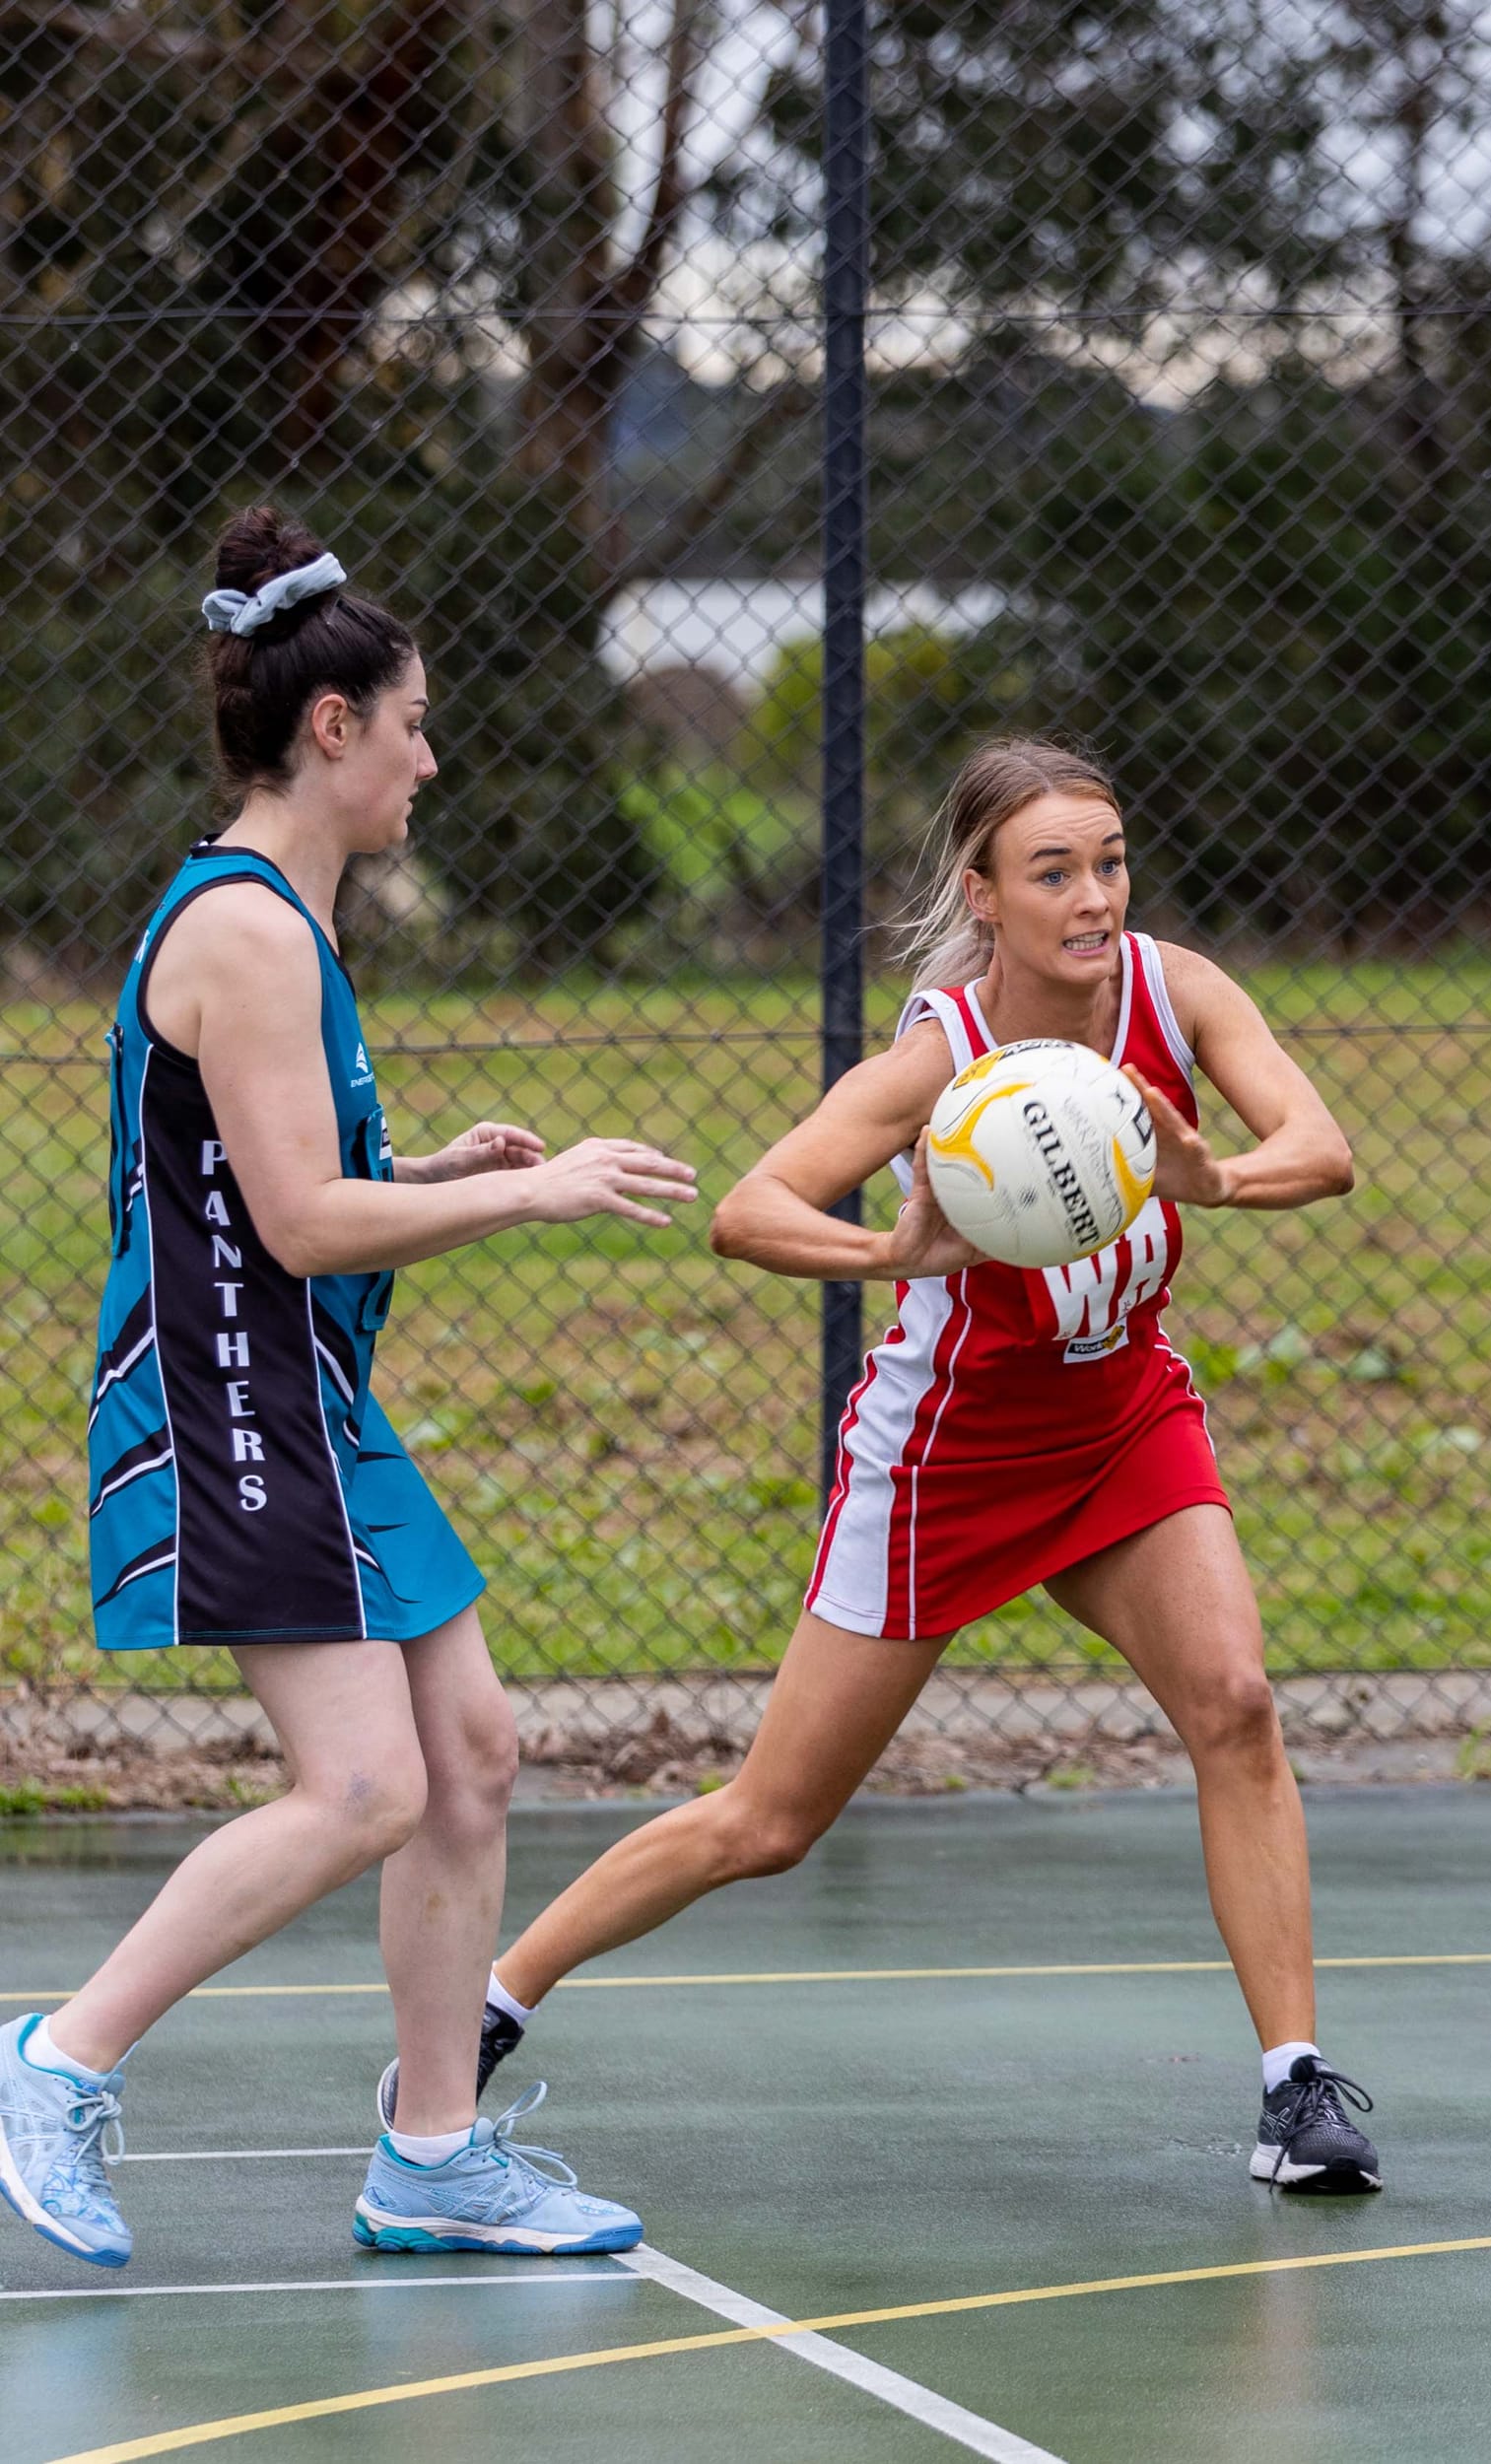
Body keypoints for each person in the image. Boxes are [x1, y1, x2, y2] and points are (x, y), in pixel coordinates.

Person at [413, 738, 1382, 2194]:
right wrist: (891, 1250)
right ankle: (486, 2002)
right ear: (983, 895)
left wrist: (1217, 1176)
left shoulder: (1178, 996)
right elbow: (750, 1210)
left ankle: (1294, 2088)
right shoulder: (944, 1057)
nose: (1094, 895)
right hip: (949, 1457)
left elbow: (1323, 1148)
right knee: (772, 1823)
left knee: (1237, 1706)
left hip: (1121, 1418)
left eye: (1108, 861)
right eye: (1053, 871)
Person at [0, 509, 695, 2271]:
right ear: (334, 731)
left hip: (308, 1396)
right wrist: (518, 1190)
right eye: (411, 725)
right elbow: (300, 1225)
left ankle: (436, 2150)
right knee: (368, 1789)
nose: (429, 759)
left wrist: (439, 1158)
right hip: (233, 1404)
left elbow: (283, 1180)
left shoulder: (284, 921)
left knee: (473, 1754)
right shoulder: (241, 931)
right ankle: (57, 2059)